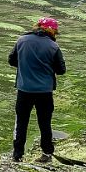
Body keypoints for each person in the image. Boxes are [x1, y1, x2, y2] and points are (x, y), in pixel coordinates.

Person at [7, 16, 66, 161]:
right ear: (52, 30)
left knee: (21, 122)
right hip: (45, 92)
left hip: (24, 90)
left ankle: (17, 155)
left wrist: (26, 67)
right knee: (45, 123)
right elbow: (61, 70)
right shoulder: (53, 47)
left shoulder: (21, 40)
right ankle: (47, 154)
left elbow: (11, 60)